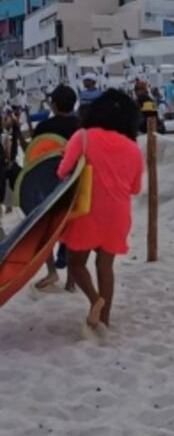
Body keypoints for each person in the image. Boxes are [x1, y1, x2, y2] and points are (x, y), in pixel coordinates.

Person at [58, 90, 144, 330]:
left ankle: (96, 300)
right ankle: (104, 320)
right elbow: (136, 189)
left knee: (76, 263)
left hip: (87, 210)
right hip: (117, 213)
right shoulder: (132, 148)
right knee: (105, 267)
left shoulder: (83, 137)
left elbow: (63, 172)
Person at [30, 85, 81, 292]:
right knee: (73, 231)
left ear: (54, 104)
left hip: (47, 184)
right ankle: (71, 281)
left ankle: (52, 271)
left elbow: (34, 158)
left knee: (46, 230)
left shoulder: (43, 127)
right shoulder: (81, 126)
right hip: (75, 182)